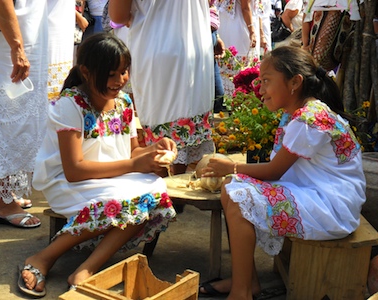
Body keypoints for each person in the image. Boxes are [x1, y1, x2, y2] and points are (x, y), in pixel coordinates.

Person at [199, 46, 366, 299]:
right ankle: (247, 281)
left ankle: (241, 292)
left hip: (332, 207)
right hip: (318, 195)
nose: (260, 89)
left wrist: (229, 166)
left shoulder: (310, 118)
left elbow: (274, 170)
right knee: (233, 186)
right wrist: (233, 172)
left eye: (266, 81)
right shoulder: (297, 114)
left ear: (295, 83)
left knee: (236, 193)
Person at [18, 33, 177, 297]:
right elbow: (74, 170)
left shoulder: (124, 103)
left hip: (111, 179)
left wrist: (157, 147)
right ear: (86, 72)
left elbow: (133, 151)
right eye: (112, 74)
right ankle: (43, 258)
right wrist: (136, 165)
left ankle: (86, 269)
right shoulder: (70, 104)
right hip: (69, 184)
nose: (120, 81)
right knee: (136, 202)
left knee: (154, 196)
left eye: (124, 72)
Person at [108, 0, 215, 175]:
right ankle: (177, 186)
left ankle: (165, 191)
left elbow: (118, 15)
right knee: (186, 126)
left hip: (157, 45)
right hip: (196, 45)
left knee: (162, 131)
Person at [0, 0, 48, 228]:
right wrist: (16, 45)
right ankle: (1, 202)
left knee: (8, 112)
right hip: (4, 38)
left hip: (13, 33)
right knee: (4, 115)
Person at [215, 0, 257, 97]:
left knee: (227, 67)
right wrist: (252, 31)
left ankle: (227, 99)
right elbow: (245, 7)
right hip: (239, 28)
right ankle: (238, 99)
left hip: (225, 25)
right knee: (241, 69)